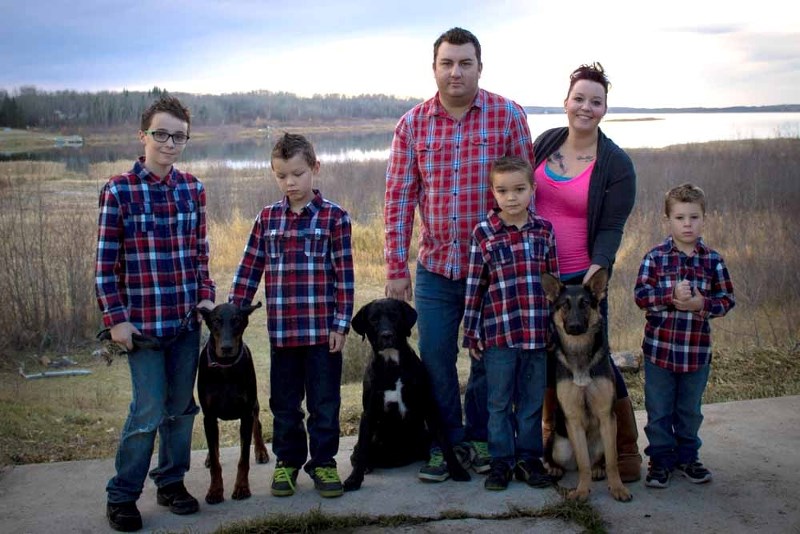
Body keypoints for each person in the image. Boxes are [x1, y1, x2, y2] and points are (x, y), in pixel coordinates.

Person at [384, 27, 535, 481]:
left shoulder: (507, 116)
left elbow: (529, 193)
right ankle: (446, 442)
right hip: (436, 268)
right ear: (434, 68)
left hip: (494, 270)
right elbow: (398, 199)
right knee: (435, 359)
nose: (456, 71)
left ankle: (484, 439)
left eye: (465, 63)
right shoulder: (412, 125)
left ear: (479, 67)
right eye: (447, 63)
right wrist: (396, 265)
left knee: (488, 360)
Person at [95, 95, 215, 532]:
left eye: (178, 136)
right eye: (161, 134)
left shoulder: (192, 189)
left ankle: (170, 482)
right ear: (143, 135)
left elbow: (200, 254)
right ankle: (123, 494)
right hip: (142, 329)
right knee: (147, 410)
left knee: (181, 409)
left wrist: (205, 296)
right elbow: (105, 265)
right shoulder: (119, 190)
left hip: (184, 324)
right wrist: (116, 320)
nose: (169, 143)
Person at [532, 62, 642, 481]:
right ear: (566, 102)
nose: (586, 106)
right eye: (579, 98)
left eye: (595, 101)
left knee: (596, 362)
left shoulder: (615, 163)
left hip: (583, 278)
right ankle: (551, 447)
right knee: (544, 362)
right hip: (539, 278)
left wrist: (598, 272)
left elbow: (612, 226)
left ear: (605, 108)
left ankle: (625, 451)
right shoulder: (544, 144)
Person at [228, 133, 354, 498]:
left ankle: (325, 463)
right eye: (282, 176)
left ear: (315, 169)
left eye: (298, 174)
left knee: (324, 403)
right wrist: (233, 314)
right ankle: (287, 462)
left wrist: (341, 324)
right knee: (284, 403)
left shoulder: (335, 218)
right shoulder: (267, 219)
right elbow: (249, 269)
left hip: (322, 335)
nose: (291, 183)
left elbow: (344, 277)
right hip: (283, 334)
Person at [462, 156, 558, 491]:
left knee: (531, 402)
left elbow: (554, 286)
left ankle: (528, 459)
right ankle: (501, 461)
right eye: (503, 191)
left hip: (535, 334)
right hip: (498, 335)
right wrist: (472, 332)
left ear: (533, 189)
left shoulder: (544, 231)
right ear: (493, 192)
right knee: (498, 402)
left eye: (519, 189)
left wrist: (554, 330)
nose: (512, 197)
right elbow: (476, 286)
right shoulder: (484, 233)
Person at [634, 183, 735, 488]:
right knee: (659, 409)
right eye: (680, 218)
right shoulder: (654, 258)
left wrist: (701, 304)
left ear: (704, 218)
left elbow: (726, 300)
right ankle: (661, 460)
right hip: (659, 353)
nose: (687, 224)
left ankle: (688, 457)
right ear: (668, 220)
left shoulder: (713, 261)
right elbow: (641, 296)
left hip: (696, 352)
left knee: (689, 410)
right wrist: (669, 295)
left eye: (693, 217)